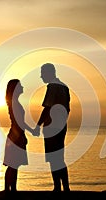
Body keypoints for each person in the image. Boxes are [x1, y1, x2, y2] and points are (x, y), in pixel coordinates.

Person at [34, 63, 71, 192]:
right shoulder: (64, 87)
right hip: (61, 126)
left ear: (49, 73)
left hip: (52, 128)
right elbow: (68, 109)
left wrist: (38, 126)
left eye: (42, 73)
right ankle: (65, 188)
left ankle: (57, 187)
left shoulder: (52, 86)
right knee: (59, 157)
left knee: (54, 159)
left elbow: (47, 108)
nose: (41, 76)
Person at [3, 79, 34, 192]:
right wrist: (28, 132)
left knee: (14, 164)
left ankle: (12, 189)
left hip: (15, 135)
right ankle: (8, 189)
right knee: (13, 164)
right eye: (20, 85)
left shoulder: (14, 102)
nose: (22, 87)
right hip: (16, 136)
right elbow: (19, 122)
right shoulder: (14, 103)